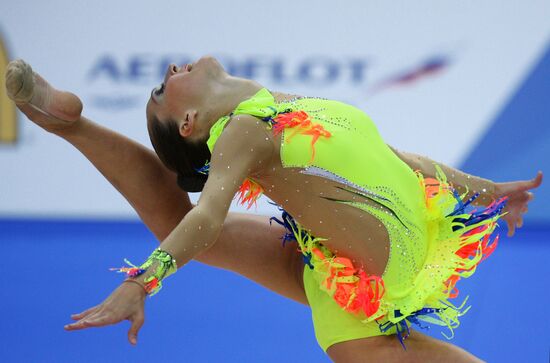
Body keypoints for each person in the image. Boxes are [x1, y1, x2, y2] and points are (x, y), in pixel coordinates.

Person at [6, 58, 542, 363]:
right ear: (190, 122)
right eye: (159, 88)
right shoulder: (242, 130)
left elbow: (401, 160)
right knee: (190, 230)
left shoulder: (284, 105)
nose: (170, 67)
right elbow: (207, 214)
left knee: (188, 230)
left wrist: (486, 188)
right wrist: (141, 280)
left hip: (346, 262)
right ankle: (69, 126)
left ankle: (66, 125)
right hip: (359, 324)